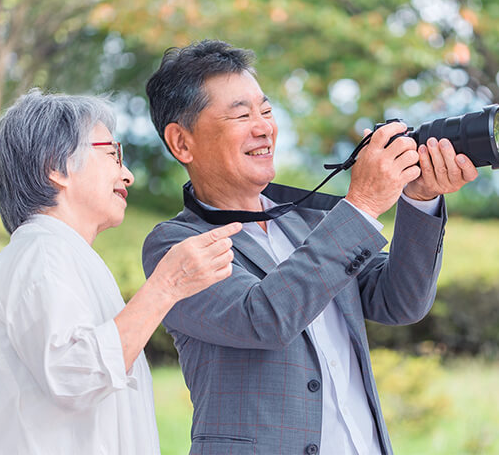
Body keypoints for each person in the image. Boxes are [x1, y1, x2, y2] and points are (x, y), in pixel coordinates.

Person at [142, 40, 477, 455]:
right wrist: (363, 204)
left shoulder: (310, 221)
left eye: (266, 110)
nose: (263, 127)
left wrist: (420, 198)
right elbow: (263, 317)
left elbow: (401, 302)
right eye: (241, 114)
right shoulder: (176, 246)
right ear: (182, 143)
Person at [0, 90, 242, 454]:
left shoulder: (61, 254)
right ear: (55, 167)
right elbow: (74, 374)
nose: (128, 174)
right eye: (113, 153)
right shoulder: (42, 254)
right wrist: (167, 285)